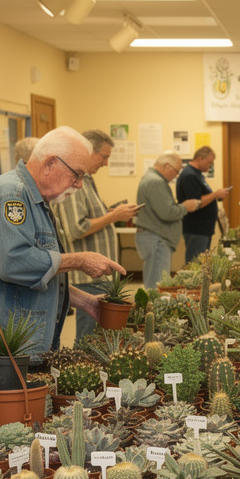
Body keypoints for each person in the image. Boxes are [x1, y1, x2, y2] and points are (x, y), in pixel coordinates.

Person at [0, 126, 125, 362]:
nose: (79, 184)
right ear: (49, 164)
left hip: (27, 340)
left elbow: (41, 274)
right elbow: (13, 263)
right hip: (4, 345)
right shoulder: (11, 195)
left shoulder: (38, 199)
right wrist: (79, 260)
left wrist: (84, 300)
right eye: (77, 174)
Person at [50, 129, 140, 342]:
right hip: (87, 278)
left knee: (98, 336)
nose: (106, 163)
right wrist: (114, 216)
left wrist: (110, 214)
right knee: (88, 339)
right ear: (89, 152)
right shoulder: (74, 183)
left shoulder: (88, 181)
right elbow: (77, 228)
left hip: (98, 275)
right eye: (104, 157)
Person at [135, 151, 199, 290]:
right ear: (166, 166)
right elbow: (167, 212)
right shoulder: (156, 181)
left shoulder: (151, 179)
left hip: (155, 238)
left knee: (155, 282)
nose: (176, 175)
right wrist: (185, 207)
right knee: (157, 286)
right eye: (176, 171)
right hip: (157, 240)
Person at [177, 145, 230, 265]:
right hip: (196, 229)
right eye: (209, 162)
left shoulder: (197, 174)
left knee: (202, 263)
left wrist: (216, 196)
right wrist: (215, 194)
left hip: (203, 229)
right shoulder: (189, 175)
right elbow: (195, 203)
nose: (210, 166)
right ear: (200, 158)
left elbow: (204, 197)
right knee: (195, 264)